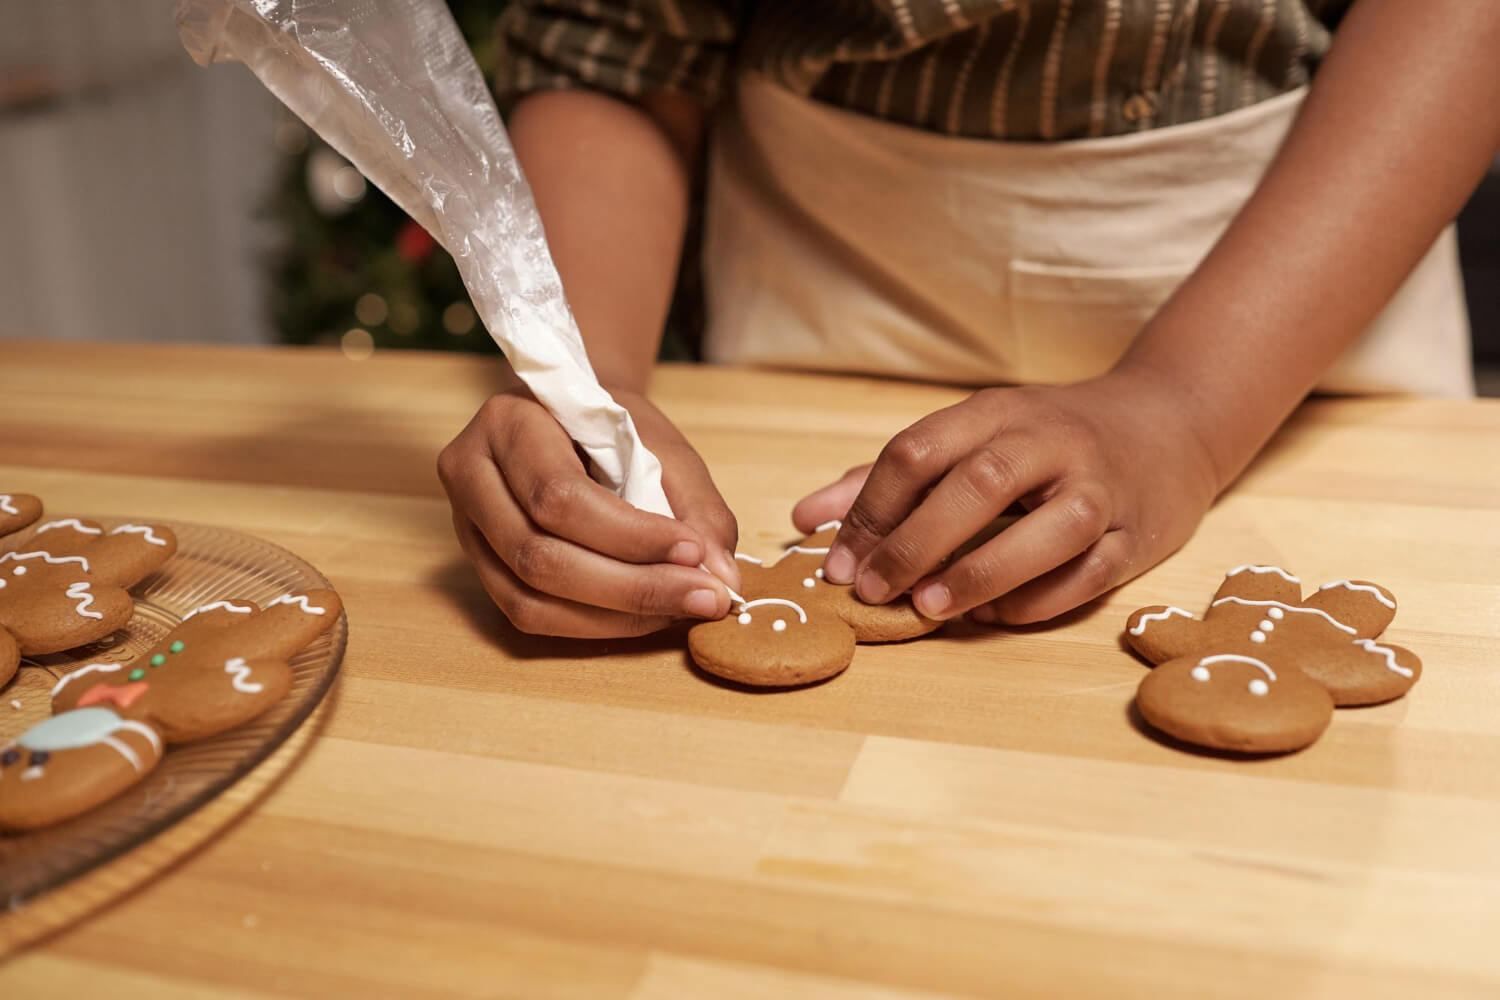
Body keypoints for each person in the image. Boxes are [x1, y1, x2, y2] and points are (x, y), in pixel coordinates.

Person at [436, 0, 1500, 638]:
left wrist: (1185, 408)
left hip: (1302, 301)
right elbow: (614, 46)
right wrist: (590, 384)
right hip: (813, 304)